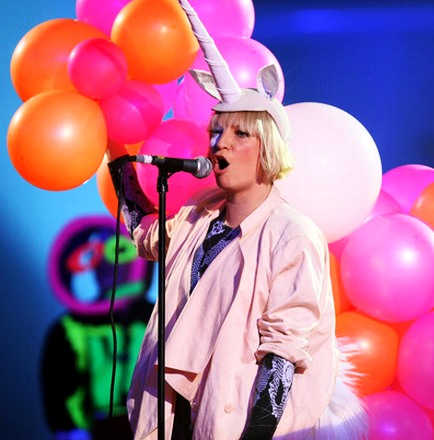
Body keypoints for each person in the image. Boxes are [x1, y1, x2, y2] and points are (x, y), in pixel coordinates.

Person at [107, 2, 368, 438]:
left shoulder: (292, 235)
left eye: (239, 133)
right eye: (216, 132)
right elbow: (146, 232)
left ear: (267, 148)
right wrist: (116, 154)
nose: (219, 143)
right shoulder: (197, 215)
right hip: (171, 419)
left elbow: (283, 353)